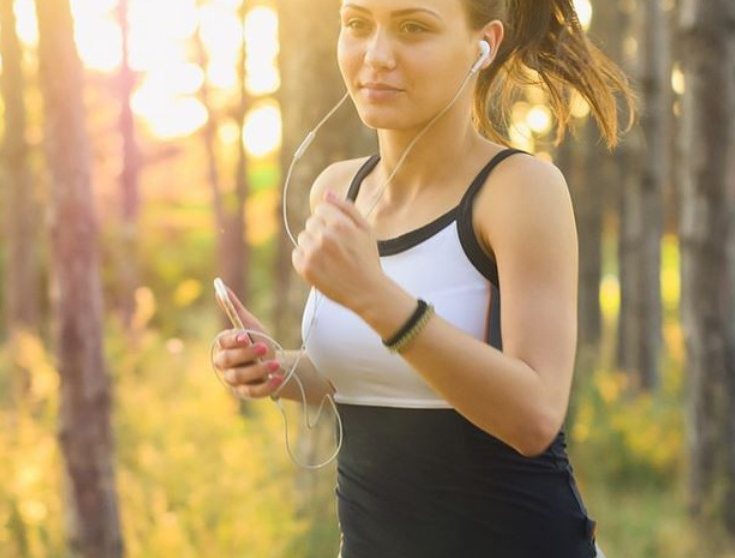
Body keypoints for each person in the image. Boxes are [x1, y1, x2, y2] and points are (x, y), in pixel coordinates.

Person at [212, 0, 634, 556]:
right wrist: (281, 368)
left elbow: (535, 416)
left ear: (482, 43)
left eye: (413, 28)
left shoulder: (519, 190)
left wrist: (377, 298)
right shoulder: (339, 190)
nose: (376, 56)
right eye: (357, 25)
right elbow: (367, 371)